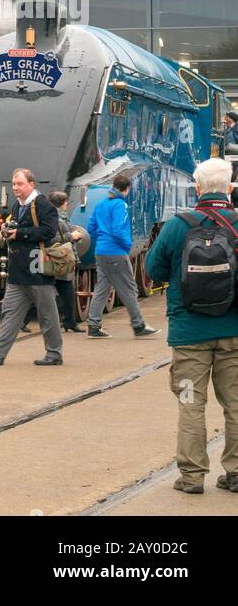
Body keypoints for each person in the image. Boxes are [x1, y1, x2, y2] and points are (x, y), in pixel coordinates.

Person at [144, 157, 238, 494]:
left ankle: (192, 476)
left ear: (197, 189)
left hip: (189, 335)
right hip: (234, 333)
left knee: (190, 402)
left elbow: (153, 270)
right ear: (229, 188)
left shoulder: (177, 225)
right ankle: (237, 471)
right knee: (236, 403)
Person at [0, 168, 64, 367]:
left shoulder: (43, 205)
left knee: (47, 313)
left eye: (20, 184)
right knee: (10, 310)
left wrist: (20, 233)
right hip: (18, 268)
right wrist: (7, 231)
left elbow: (49, 231)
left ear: (31, 184)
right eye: (13, 184)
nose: (15, 188)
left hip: (37, 266)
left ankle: (54, 353)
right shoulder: (18, 205)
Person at [85, 174, 157, 338]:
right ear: (127, 189)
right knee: (129, 288)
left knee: (102, 288)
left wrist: (102, 239)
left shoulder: (101, 204)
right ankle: (138, 325)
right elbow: (118, 230)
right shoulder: (120, 205)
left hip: (101, 251)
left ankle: (93, 325)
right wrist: (126, 246)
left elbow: (91, 228)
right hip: (116, 252)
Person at [47, 191, 86, 333]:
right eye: (66, 203)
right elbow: (53, 238)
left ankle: (69, 321)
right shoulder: (56, 218)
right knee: (65, 291)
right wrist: (71, 236)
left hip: (56, 259)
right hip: (57, 259)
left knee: (62, 291)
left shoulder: (58, 217)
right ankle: (69, 322)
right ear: (63, 204)